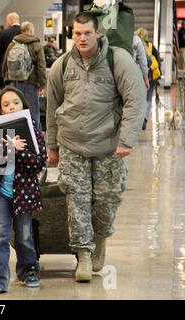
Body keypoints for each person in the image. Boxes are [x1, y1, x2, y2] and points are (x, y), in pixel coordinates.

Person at [46, 12, 146, 282]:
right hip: (71, 145)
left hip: (107, 147)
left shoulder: (118, 60)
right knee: (76, 201)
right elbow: (52, 107)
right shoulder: (62, 65)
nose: (81, 38)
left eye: (86, 33)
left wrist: (126, 140)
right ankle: (84, 255)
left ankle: (100, 238)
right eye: (77, 33)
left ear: (98, 32)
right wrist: (52, 145)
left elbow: (135, 100)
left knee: (106, 200)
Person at [0, 86, 47, 293]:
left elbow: (38, 163)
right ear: (0, 111)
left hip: (25, 193)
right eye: (6, 105)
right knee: (0, 235)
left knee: (24, 235)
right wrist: (9, 147)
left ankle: (28, 270)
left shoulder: (33, 130)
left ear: (24, 105)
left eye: (16, 103)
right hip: (0, 193)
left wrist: (20, 152)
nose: (11, 107)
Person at [2, 21, 46, 131]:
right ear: (31, 31)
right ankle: (35, 139)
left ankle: (17, 136)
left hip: (14, 82)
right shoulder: (36, 44)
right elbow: (41, 66)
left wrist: (6, 80)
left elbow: (5, 64)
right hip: (31, 83)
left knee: (15, 112)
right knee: (33, 113)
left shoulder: (13, 44)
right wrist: (42, 84)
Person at [135, 28, 162, 131]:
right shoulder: (150, 46)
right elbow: (157, 61)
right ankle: (145, 118)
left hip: (137, 76)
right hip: (151, 75)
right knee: (148, 97)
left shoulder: (135, 46)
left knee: (137, 98)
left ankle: (137, 118)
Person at [0, 12, 21, 89]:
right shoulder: (24, 32)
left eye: (7, 20)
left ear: (11, 20)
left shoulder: (3, 33)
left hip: (6, 71)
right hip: (22, 71)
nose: (6, 22)